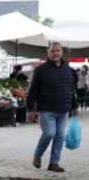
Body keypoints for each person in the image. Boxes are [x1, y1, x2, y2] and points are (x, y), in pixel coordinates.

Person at [27, 41, 78, 172]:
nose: (55, 53)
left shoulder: (69, 70)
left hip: (64, 109)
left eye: (58, 51)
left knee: (60, 136)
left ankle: (53, 163)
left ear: (62, 52)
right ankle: (38, 155)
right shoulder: (40, 70)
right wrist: (30, 109)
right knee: (49, 133)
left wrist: (74, 106)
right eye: (53, 51)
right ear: (48, 53)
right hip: (46, 109)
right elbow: (33, 90)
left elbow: (71, 89)